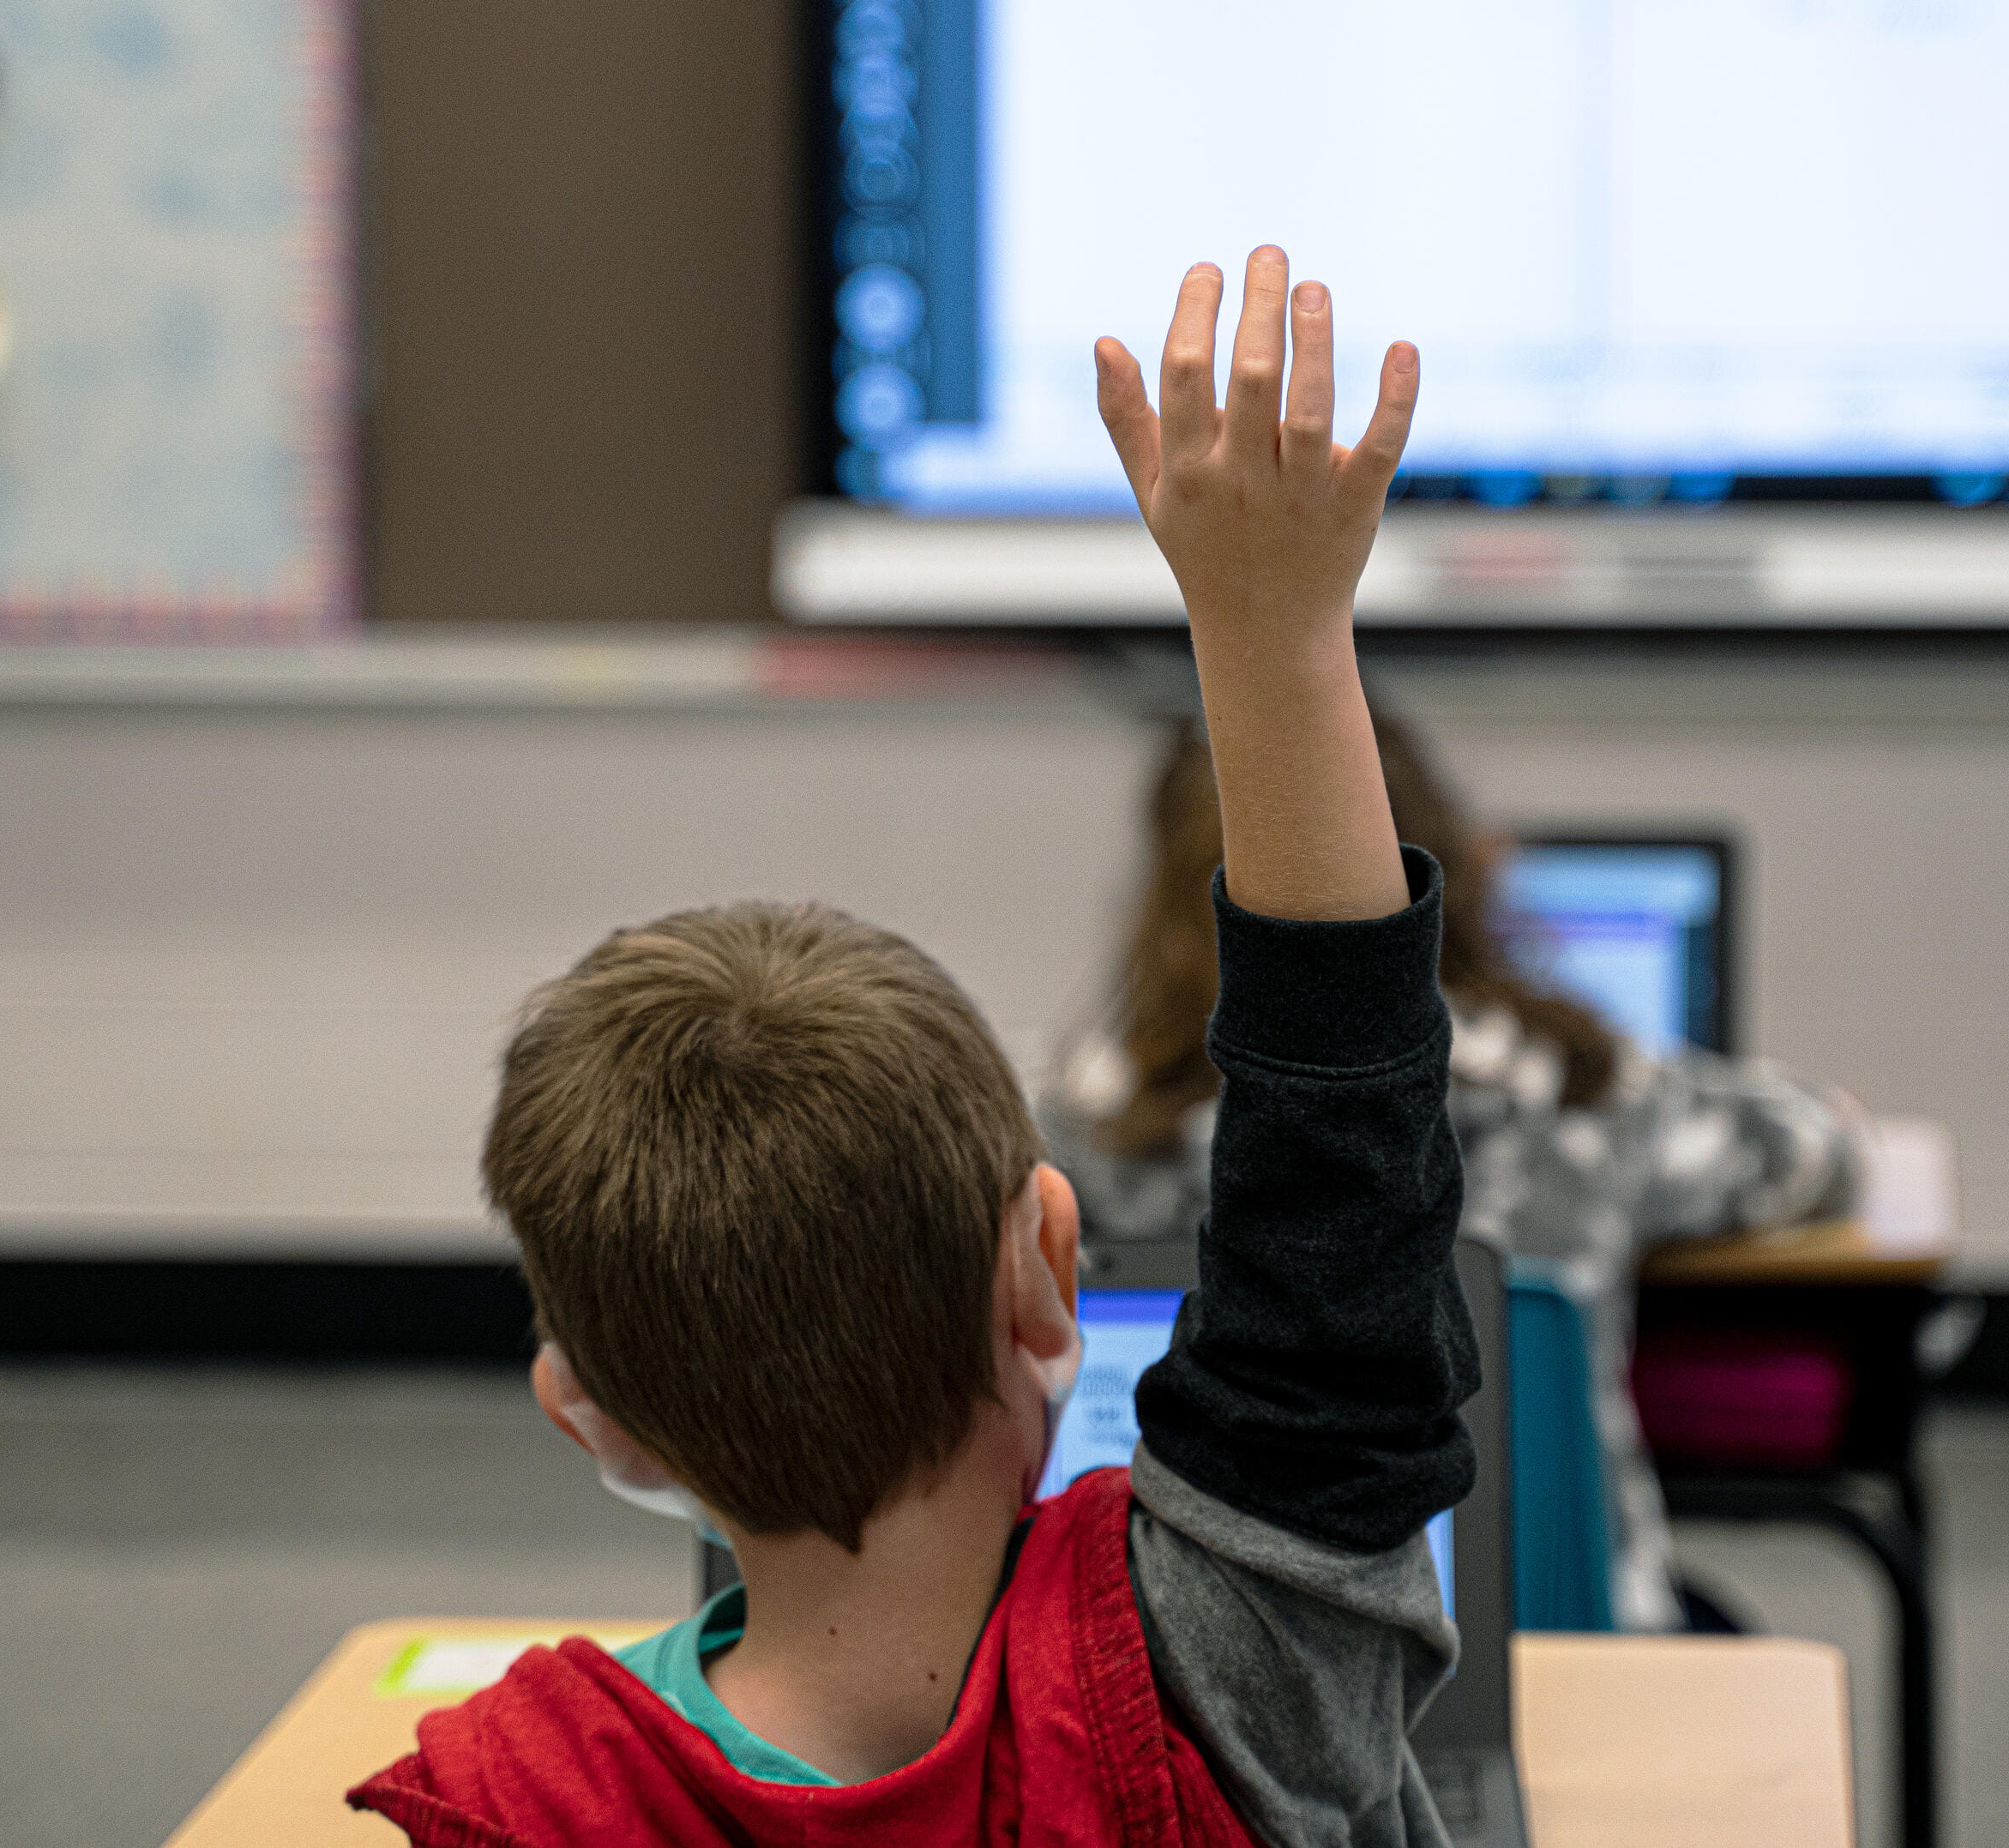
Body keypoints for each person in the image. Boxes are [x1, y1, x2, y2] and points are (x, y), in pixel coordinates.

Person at [352, 249, 1480, 1845]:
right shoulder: (1208, 1699)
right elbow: (1339, 1214)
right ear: (1045, 1265)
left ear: (586, 1409)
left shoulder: (524, 1802)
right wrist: (1275, 629)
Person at [1046, 715, 1867, 1633]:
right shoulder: (1579, 1091)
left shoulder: (1099, 1136)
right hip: (1565, 1646)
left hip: (1226, 1657)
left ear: (1166, 905)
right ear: (1449, 867)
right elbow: (1815, 1153)